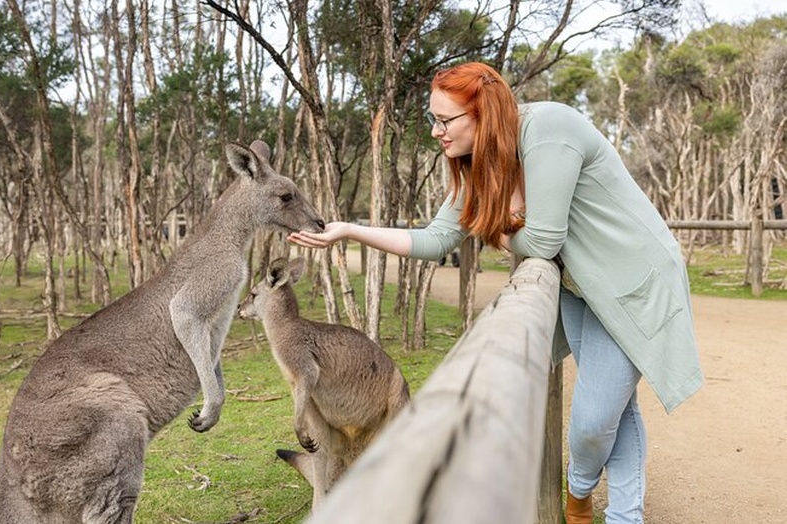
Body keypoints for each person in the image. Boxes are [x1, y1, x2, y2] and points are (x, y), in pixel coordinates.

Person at [288, 61, 703, 524]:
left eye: (444, 120)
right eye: (432, 119)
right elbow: (436, 239)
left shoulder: (548, 129)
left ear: (481, 113)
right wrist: (349, 230)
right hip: (580, 287)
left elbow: (543, 241)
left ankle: (580, 491)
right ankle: (619, 514)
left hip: (631, 280)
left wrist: (494, 224)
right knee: (610, 412)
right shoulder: (477, 165)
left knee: (594, 419)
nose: (436, 132)